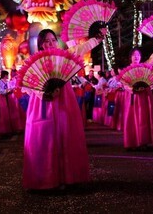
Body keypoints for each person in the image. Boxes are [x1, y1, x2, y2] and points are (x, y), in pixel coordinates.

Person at [22, 28, 105, 190]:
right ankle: (46, 178)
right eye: (46, 41)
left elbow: (81, 49)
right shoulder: (35, 60)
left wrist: (97, 39)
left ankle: (67, 177)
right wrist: (46, 94)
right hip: (43, 103)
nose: (51, 43)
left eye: (53, 40)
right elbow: (29, 84)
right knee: (46, 139)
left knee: (65, 134)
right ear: (41, 44)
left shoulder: (63, 55)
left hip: (64, 99)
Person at [120, 44, 153, 151]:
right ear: (130, 57)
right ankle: (132, 141)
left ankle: (144, 141)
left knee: (143, 118)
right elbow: (123, 83)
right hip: (132, 97)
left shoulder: (144, 66)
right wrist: (132, 89)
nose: (136, 57)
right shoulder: (126, 70)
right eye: (134, 55)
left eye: (138, 55)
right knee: (132, 119)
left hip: (144, 96)